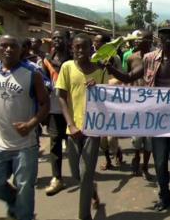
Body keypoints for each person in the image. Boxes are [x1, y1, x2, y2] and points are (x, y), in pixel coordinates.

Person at [106, 21, 170, 211]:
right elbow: (129, 77)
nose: (168, 38)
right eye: (164, 34)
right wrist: (111, 69)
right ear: (159, 38)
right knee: (160, 161)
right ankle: (164, 195)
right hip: (156, 119)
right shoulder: (149, 58)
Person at [0, 35, 50, 220]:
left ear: (21, 49)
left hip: (25, 144)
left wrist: (30, 124)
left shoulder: (32, 74)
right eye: (4, 46)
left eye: (13, 46)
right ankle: (14, 202)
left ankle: (24, 215)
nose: (8, 49)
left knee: (25, 188)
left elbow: (45, 104)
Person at [56, 33, 106, 220]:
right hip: (73, 130)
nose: (80, 51)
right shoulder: (67, 67)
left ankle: (84, 215)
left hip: (93, 130)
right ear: (72, 48)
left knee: (85, 174)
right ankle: (92, 190)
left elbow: (108, 99)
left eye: (84, 47)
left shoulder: (100, 71)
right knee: (77, 175)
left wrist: (98, 88)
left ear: (90, 49)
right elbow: (61, 97)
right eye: (76, 47)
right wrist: (71, 124)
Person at [42, 30, 72, 196]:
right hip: (54, 108)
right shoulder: (46, 60)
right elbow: (44, 80)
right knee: (54, 144)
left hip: (73, 109)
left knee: (75, 146)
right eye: (54, 38)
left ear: (68, 40)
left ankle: (84, 179)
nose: (57, 40)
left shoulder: (75, 59)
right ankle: (57, 178)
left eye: (60, 37)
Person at [92, 33, 124, 171]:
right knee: (102, 137)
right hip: (97, 101)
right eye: (95, 42)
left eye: (98, 42)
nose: (95, 44)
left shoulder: (114, 58)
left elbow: (121, 76)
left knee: (111, 136)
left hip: (111, 100)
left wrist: (106, 84)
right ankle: (107, 159)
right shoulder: (92, 59)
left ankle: (116, 153)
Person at [126, 30, 154, 180]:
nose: (136, 41)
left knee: (149, 140)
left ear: (149, 41)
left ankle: (145, 166)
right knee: (136, 138)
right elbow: (127, 77)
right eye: (136, 39)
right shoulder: (131, 58)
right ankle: (136, 157)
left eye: (140, 39)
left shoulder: (156, 58)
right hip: (136, 103)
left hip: (151, 104)